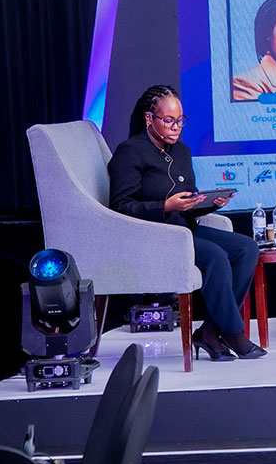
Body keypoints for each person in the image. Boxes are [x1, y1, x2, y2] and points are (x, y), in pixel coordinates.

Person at [108, 85, 265, 361]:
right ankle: (233, 333)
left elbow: (188, 202)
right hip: (152, 235)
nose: (176, 127)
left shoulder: (182, 152)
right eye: (169, 120)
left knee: (246, 248)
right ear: (149, 119)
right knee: (215, 255)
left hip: (184, 230)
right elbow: (120, 207)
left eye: (181, 120)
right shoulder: (130, 152)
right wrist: (165, 207)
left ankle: (209, 332)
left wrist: (208, 203)